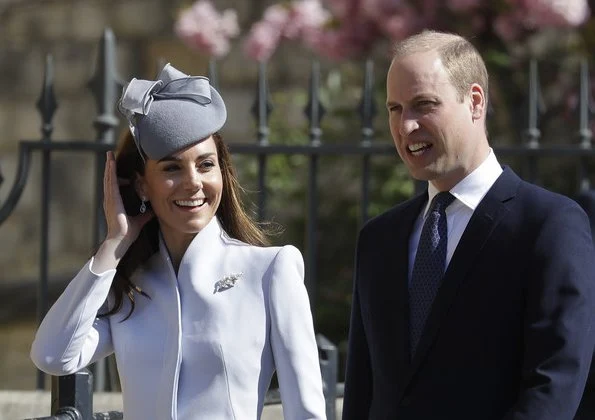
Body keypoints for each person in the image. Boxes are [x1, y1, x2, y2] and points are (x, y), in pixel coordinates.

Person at [30, 63, 326, 420]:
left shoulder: (269, 269)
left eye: (205, 165)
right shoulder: (129, 285)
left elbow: (307, 412)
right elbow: (54, 356)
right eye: (171, 168)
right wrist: (115, 243)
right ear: (142, 185)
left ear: (223, 173)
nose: (193, 183)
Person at [342, 30, 595, 420]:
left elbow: (552, 389)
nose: (405, 126)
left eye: (423, 104)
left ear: (474, 101)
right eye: (395, 108)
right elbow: (364, 392)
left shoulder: (549, 226)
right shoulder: (379, 239)